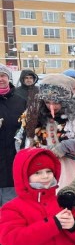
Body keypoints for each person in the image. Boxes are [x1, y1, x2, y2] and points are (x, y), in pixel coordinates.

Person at [19, 74, 75, 187]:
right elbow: (22, 139)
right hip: (44, 169)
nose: (52, 106)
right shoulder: (34, 113)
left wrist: (64, 147)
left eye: (57, 102)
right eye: (47, 102)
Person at [0, 63, 28, 229]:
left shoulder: (20, 101)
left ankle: (8, 236)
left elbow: (29, 129)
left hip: (13, 161)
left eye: (3, 75)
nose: (1, 79)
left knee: (11, 206)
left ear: (8, 78)